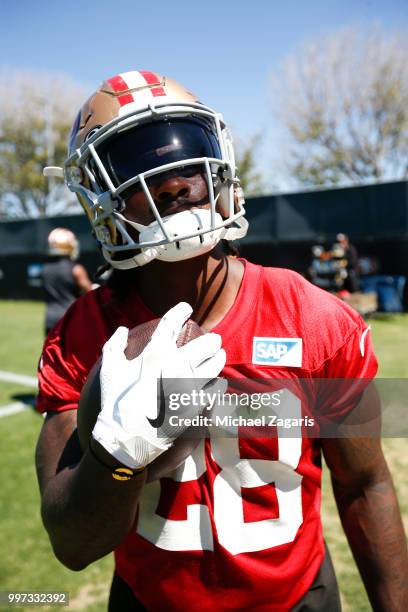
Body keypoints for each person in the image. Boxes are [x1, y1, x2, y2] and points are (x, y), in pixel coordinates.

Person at [35, 70, 408, 611]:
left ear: (221, 167)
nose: (170, 181)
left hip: (298, 598)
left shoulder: (317, 319)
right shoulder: (81, 337)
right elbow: (71, 545)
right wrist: (115, 459)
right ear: (101, 198)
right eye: (136, 164)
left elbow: (364, 485)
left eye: (187, 156)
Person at [43, 228, 92, 334]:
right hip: (70, 317)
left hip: (50, 318)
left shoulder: (45, 269)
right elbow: (90, 292)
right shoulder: (76, 269)